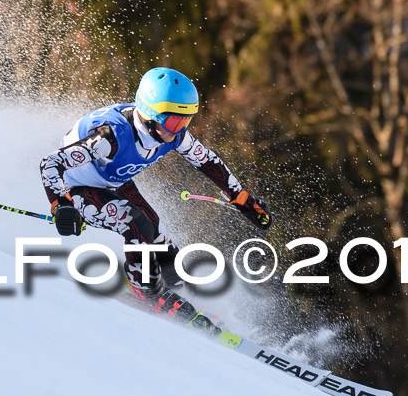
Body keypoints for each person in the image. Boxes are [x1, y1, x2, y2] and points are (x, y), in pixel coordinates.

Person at [40, 67, 272, 335]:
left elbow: (206, 160)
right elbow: (51, 162)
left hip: (112, 180)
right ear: (151, 115)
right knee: (135, 223)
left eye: (187, 121)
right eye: (175, 122)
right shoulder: (110, 138)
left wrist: (241, 198)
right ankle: (147, 294)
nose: (180, 131)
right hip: (75, 187)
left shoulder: (171, 134)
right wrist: (61, 205)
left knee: (158, 237)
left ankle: (184, 293)